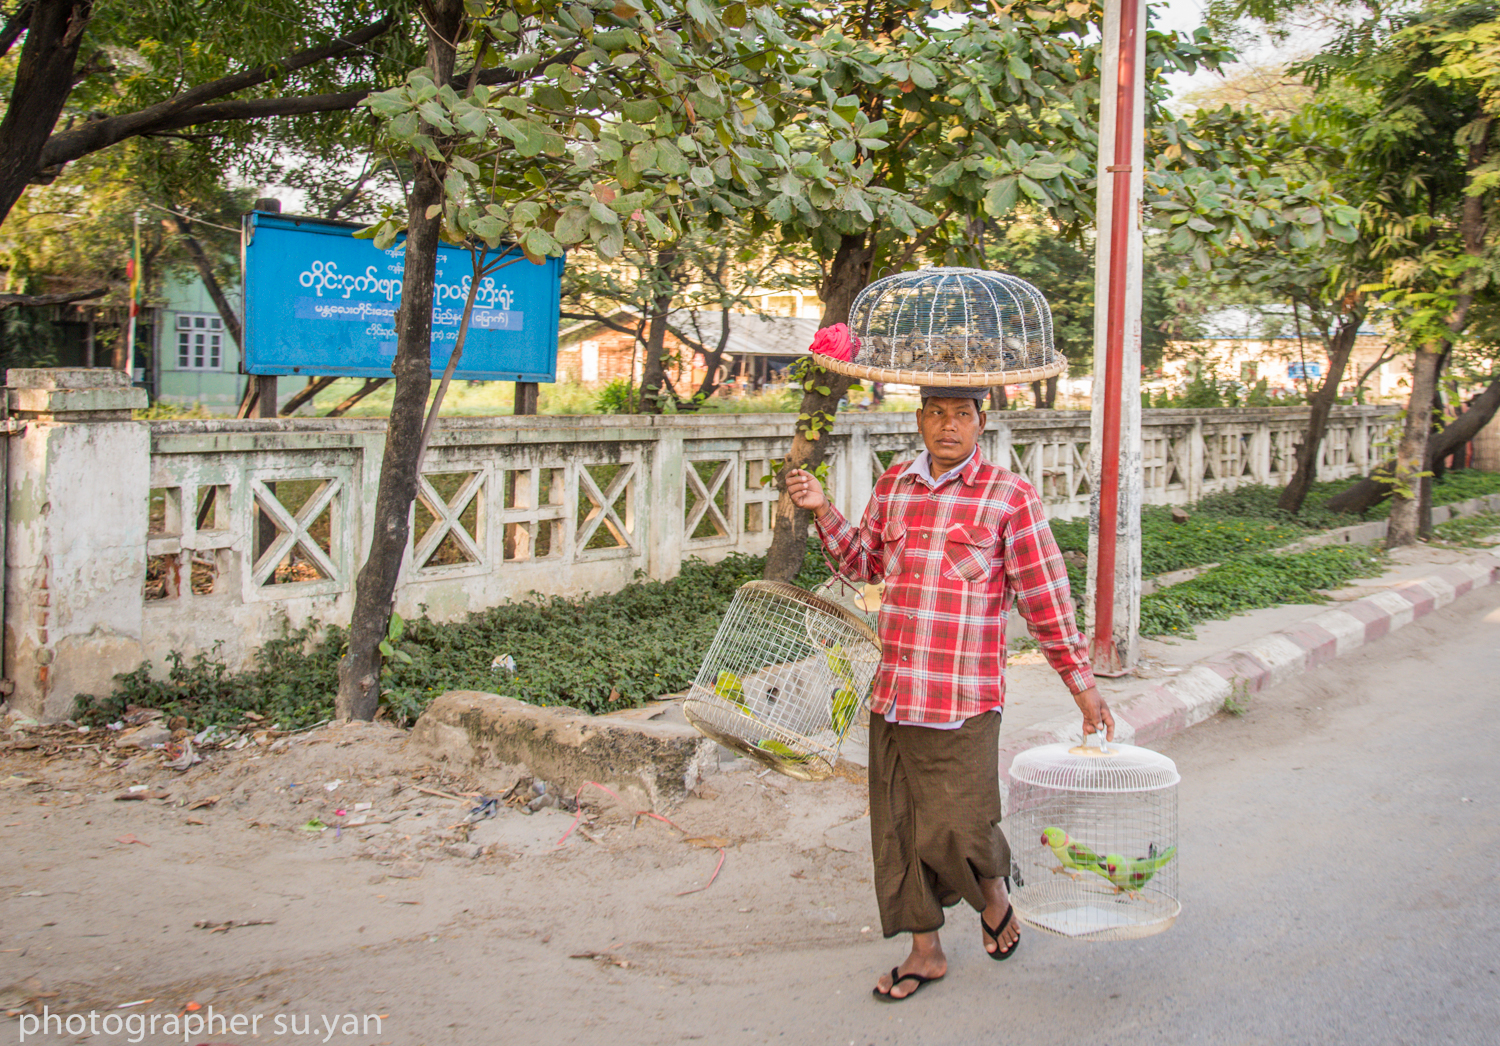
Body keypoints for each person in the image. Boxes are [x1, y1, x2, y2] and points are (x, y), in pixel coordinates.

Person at [785, 386, 1113, 1002]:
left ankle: (993, 895)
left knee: (964, 825)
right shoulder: (894, 488)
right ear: (919, 420)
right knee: (902, 829)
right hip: (898, 690)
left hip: (964, 696)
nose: (948, 426)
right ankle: (925, 950)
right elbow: (863, 564)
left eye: (962, 414)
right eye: (936, 413)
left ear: (980, 423)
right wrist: (823, 507)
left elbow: (1044, 599)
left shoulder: (1008, 497)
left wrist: (1081, 684)